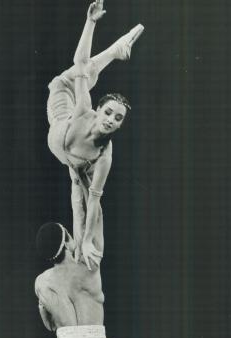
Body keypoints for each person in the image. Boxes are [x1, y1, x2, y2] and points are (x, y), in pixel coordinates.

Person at [47, 0, 144, 269]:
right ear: (98, 110)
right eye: (109, 113)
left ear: (121, 125)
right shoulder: (83, 109)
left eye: (118, 118)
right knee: (81, 71)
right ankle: (115, 51)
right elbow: (79, 63)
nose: (111, 120)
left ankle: (83, 253)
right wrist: (90, 22)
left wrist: (87, 240)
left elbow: (92, 200)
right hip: (61, 103)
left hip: (74, 162)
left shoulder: (103, 156)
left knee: (84, 205)